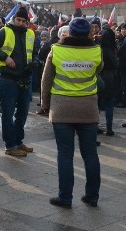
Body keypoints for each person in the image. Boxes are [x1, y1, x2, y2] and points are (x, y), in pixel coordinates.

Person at [41, 17, 102, 208]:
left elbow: (46, 79)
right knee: (90, 154)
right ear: (88, 33)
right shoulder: (96, 51)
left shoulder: (56, 50)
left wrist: (45, 104)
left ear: (70, 32)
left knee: (65, 155)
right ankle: (92, 196)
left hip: (62, 109)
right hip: (88, 109)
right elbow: (98, 70)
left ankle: (65, 198)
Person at [0, 6, 39, 157]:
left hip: (25, 77)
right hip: (9, 78)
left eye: (23, 21)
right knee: (8, 113)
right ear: (14, 19)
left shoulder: (31, 33)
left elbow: (34, 52)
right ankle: (10, 145)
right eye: (18, 20)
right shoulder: (5, 31)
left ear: (27, 22)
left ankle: (18, 141)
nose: (21, 23)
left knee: (22, 113)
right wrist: (5, 57)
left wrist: (34, 61)